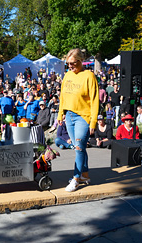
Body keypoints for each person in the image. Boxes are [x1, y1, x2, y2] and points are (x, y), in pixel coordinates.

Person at [57, 48, 99, 192]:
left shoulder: (89, 76)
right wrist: (60, 114)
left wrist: (93, 122)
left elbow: (94, 101)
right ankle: (85, 175)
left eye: (73, 63)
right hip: (69, 115)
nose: (70, 66)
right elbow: (63, 96)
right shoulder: (67, 75)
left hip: (83, 116)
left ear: (81, 61)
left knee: (80, 147)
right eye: (68, 63)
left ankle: (75, 178)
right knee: (78, 148)